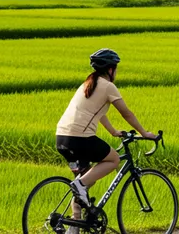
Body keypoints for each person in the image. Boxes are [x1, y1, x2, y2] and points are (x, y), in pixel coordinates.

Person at [55, 48, 157, 226]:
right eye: (115, 68)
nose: (116, 72)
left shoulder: (87, 84)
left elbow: (98, 112)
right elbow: (127, 114)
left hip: (62, 140)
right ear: (110, 69)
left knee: (84, 183)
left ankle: (74, 225)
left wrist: (112, 131)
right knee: (114, 159)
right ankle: (80, 185)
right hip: (80, 139)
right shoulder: (108, 86)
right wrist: (144, 133)